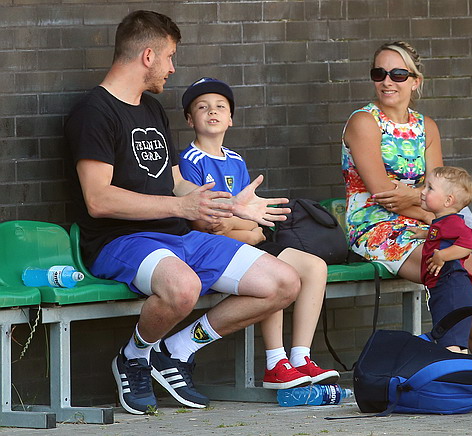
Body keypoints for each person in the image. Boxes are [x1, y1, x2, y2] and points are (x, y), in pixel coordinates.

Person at [65, 10, 304, 416]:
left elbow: (174, 181)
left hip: (176, 236)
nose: (172, 68)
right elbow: (98, 199)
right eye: (169, 56)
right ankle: (134, 355)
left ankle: (176, 350)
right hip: (118, 240)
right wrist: (180, 206)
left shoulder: (152, 109)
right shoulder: (94, 112)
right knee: (183, 288)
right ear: (148, 56)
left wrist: (229, 205)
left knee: (282, 282)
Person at [341, 41, 472, 389]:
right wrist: (423, 205)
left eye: (398, 74)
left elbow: (439, 195)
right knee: (449, 270)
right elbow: (382, 194)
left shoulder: (426, 126)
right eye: (378, 73)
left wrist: (415, 200)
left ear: (415, 81)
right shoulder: (364, 122)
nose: (387, 81)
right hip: (375, 226)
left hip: (423, 222)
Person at [177, 77, 339, 387]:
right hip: (213, 248)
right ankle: (275, 362)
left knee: (315, 267)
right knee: (272, 273)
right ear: (189, 119)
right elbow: (205, 224)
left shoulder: (236, 161)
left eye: (220, 106)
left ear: (231, 118)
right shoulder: (189, 161)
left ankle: (300, 358)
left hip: (245, 241)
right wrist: (242, 229)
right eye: (202, 107)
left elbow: (254, 220)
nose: (212, 111)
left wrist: (240, 227)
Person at [410, 166, 472, 353]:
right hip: (442, 287)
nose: (423, 191)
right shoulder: (441, 222)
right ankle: (461, 368)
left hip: (451, 286)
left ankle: (456, 369)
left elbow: (468, 244)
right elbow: (440, 235)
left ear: (448, 200)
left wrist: (442, 256)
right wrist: (424, 234)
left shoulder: (453, 222)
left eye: (430, 188)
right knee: (451, 338)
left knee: (450, 341)